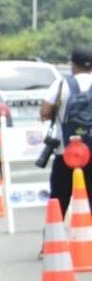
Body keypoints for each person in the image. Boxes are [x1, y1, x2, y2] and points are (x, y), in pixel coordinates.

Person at [41, 49, 92, 217]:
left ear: (73, 64)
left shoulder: (61, 84)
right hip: (90, 153)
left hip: (66, 153)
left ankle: (51, 241)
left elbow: (45, 112)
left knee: (59, 201)